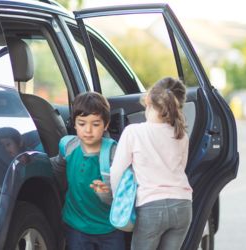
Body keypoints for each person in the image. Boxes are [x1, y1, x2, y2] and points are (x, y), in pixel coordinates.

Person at [105, 77, 192, 250]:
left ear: (148, 100)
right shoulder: (181, 135)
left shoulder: (134, 132)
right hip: (182, 205)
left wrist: (118, 200)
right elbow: (181, 168)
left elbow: (117, 172)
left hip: (150, 208)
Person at [50, 92, 124, 250]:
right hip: (76, 226)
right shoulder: (68, 146)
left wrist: (106, 192)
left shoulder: (113, 152)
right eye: (82, 123)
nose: (88, 130)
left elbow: (124, 192)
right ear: (74, 124)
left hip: (109, 227)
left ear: (106, 124)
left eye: (96, 124)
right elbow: (57, 167)